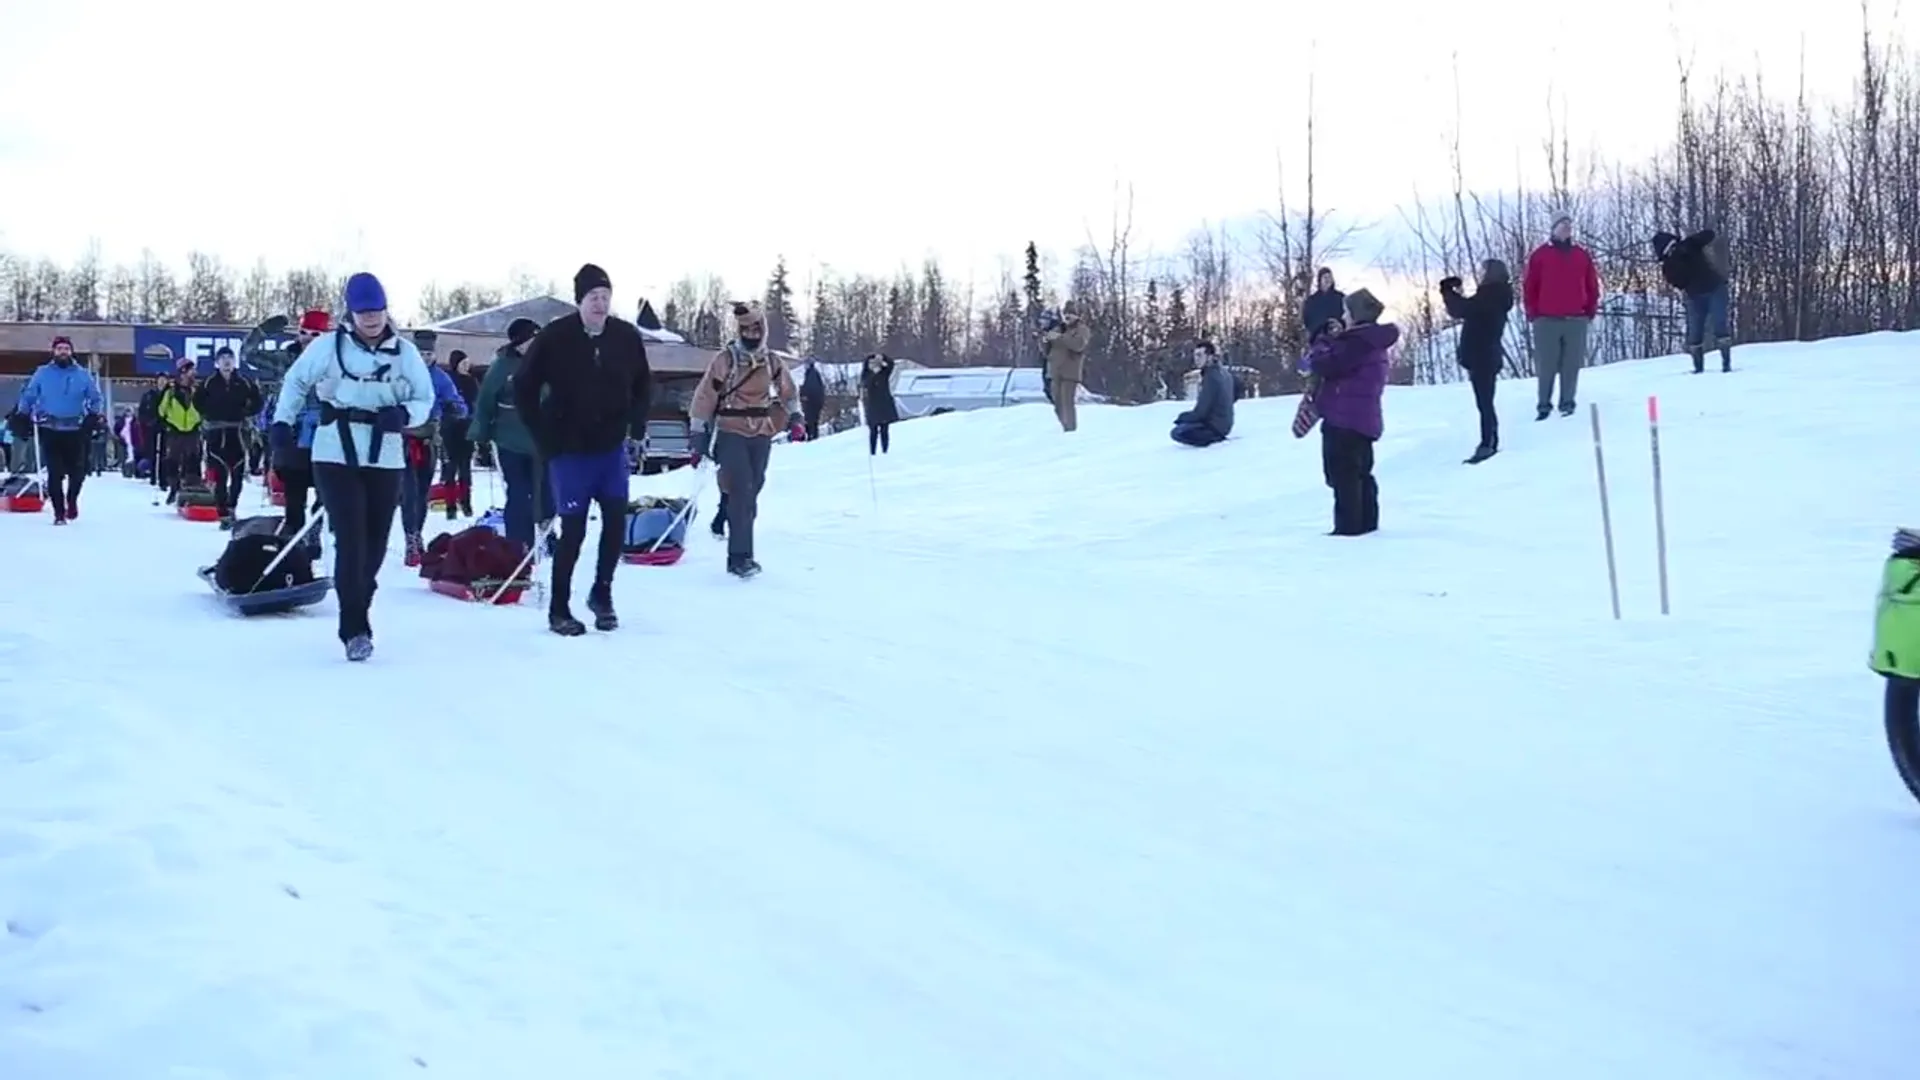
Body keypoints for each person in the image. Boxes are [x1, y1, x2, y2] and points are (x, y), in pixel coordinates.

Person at [270, 272, 434, 662]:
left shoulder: (405, 353)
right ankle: (354, 626)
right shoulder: (328, 347)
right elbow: (295, 383)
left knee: (376, 541)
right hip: (335, 449)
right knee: (350, 535)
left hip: (385, 451)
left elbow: (424, 397)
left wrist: (404, 415)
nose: (371, 319)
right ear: (351, 313)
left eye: (377, 311)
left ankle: (361, 595)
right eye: (363, 312)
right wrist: (282, 422)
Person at [514, 263, 653, 635]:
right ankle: (559, 608)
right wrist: (544, 439)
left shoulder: (625, 337)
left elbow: (644, 383)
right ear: (580, 300)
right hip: (569, 451)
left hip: (610, 449)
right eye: (594, 297)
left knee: (615, 523)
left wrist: (636, 426)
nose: (601, 304)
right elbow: (523, 388)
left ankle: (601, 594)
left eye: (606, 297)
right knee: (573, 532)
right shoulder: (556, 337)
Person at [689, 300, 800, 579]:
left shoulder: (772, 361)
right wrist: (698, 433)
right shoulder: (725, 360)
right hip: (730, 429)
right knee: (742, 489)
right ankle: (740, 557)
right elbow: (705, 396)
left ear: (762, 329)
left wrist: (796, 418)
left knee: (753, 489)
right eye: (745, 329)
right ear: (739, 331)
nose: (751, 334)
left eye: (755, 328)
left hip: (761, 431)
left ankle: (730, 517)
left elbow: (788, 391)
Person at [1305, 289, 1395, 536]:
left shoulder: (1357, 342)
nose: (1343, 316)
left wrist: (1322, 339)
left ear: (1356, 314)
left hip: (1343, 418)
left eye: (1346, 312)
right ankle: (1367, 526)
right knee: (1361, 474)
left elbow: (1324, 363)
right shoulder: (1373, 340)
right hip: (1363, 419)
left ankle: (1348, 531)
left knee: (1342, 477)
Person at [470, 317, 553, 551]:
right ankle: (519, 544)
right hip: (510, 440)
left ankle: (547, 529)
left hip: (544, 441)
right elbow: (486, 401)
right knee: (519, 492)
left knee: (547, 491)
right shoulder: (502, 366)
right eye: (528, 341)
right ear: (517, 344)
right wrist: (481, 437)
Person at [14, 335, 105, 524]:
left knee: (77, 472)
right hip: (50, 427)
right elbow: (29, 395)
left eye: (66, 349)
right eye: (59, 349)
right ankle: (59, 513)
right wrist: (22, 414)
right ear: (53, 352)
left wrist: (93, 415)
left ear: (71, 352)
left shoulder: (82, 374)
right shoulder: (42, 373)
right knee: (55, 472)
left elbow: (95, 397)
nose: (63, 352)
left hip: (75, 428)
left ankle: (71, 500)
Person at [398, 329, 469, 563]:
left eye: (429, 353)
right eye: (421, 353)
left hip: (429, 439)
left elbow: (458, 402)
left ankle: (417, 532)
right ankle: (410, 538)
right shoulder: (401, 374)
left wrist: (455, 409)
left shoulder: (440, 377)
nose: (425, 358)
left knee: (421, 492)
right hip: (403, 439)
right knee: (408, 492)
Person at [1521, 212, 1600, 419]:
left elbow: (1592, 284)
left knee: (1571, 365)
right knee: (1546, 365)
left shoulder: (1581, 255)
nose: (1567, 227)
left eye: (1569, 224)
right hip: (1547, 319)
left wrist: (1590, 308)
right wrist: (1532, 312)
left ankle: (1567, 403)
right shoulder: (1540, 255)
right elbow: (1530, 286)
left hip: (1576, 318)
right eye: (1562, 224)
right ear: (1553, 228)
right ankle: (1543, 405)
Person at [270, 309, 334, 556]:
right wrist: (264, 331)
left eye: (315, 334)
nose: (307, 338)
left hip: (325, 435)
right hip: (294, 437)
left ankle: (314, 529)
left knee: (325, 489)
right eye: (303, 332)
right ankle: (293, 539)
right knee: (294, 493)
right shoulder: (288, 357)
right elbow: (248, 355)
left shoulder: (334, 361)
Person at [1440, 258, 1515, 464]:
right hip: (1485, 354)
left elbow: (1462, 309)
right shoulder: (1496, 296)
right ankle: (1489, 440)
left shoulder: (1492, 295)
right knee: (1485, 401)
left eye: (1484, 271)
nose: (1480, 274)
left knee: (1485, 402)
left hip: (1483, 355)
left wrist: (1447, 291)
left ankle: (1487, 443)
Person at [194, 345, 265, 528]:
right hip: (216, 434)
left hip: (238, 433)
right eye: (223, 359)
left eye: (230, 358)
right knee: (220, 477)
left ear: (234, 362)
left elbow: (258, 401)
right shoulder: (209, 383)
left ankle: (232, 507)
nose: (226, 362)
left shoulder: (244, 382)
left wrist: (247, 412)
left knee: (237, 475)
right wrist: (210, 415)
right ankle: (223, 514)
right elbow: (197, 402)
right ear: (217, 363)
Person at [1653, 229, 1733, 373]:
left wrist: (1690, 243)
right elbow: (1678, 283)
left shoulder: (1689, 245)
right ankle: (1698, 368)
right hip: (1695, 295)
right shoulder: (1668, 266)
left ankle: (1726, 365)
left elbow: (1710, 234)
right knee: (1695, 332)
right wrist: (1679, 265)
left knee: (1720, 325)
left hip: (1715, 288)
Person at [1169, 341, 1234, 447]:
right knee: (1185, 425)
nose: (1196, 359)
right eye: (1195, 355)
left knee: (1177, 432)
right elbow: (1237, 389)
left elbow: (1201, 412)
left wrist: (1182, 417)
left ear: (1210, 357)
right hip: (1223, 423)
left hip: (1215, 427)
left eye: (1200, 355)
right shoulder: (1223, 372)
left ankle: (1213, 440)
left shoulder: (1212, 377)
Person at [157, 359, 204, 505]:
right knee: (172, 461)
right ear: (183, 372)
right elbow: (161, 410)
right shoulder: (171, 391)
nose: (193, 374)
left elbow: (203, 409)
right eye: (190, 371)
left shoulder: (197, 390)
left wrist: (199, 422)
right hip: (175, 431)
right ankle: (174, 488)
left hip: (193, 430)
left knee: (193, 460)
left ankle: (191, 490)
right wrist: (168, 424)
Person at [440, 349, 481, 518]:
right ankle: (450, 505)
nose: (466, 366)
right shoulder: (448, 380)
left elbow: (476, 402)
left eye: (467, 363)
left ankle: (466, 501)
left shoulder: (471, 381)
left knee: (465, 468)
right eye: (463, 363)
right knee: (450, 468)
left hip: (466, 428)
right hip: (450, 429)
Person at [1041, 301, 1091, 432]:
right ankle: (1063, 427)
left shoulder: (1082, 329)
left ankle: (1071, 430)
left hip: (1070, 372)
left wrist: (1060, 337)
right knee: (1057, 404)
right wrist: (1044, 338)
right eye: (1065, 313)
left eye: (1071, 314)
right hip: (1055, 371)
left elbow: (1078, 345)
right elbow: (1046, 351)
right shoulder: (1058, 328)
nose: (1067, 316)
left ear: (1076, 315)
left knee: (1067, 403)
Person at [860, 352, 899, 454]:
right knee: (873, 431)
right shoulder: (866, 374)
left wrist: (883, 357)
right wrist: (872, 372)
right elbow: (865, 383)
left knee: (884, 430)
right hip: (872, 405)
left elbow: (891, 364)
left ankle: (885, 450)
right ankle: (873, 451)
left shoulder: (884, 372)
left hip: (884, 404)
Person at [1302, 267, 1346, 344]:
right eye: (1325, 277)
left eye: (1330, 277)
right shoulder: (1312, 301)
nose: (1328, 280)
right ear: (1320, 280)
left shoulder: (1340, 297)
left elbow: (1347, 316)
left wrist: (1340, 325)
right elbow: (1307, 320)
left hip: (1338, 338)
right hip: (1319, 340)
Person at [799, 357, 827, 440]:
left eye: (806, 364)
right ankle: (813, 435)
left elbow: (811, 388)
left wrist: (804, 393)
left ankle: (812, 436)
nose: (804, 366)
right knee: (812, 420)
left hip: (812, 401)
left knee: (811, 420)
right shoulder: (811, 373)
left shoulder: (812, 374)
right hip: (814, 401)